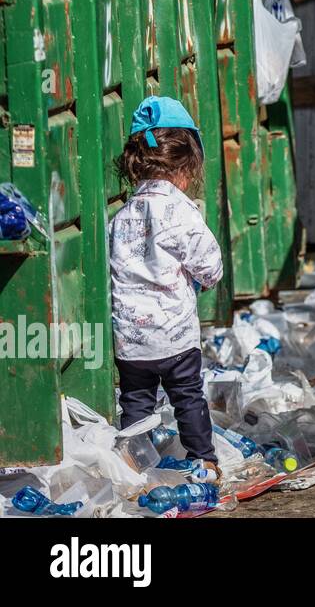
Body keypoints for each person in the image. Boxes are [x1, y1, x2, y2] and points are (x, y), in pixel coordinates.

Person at [110, 96, 224, 479]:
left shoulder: (120, 217)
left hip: (132, 341)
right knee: (188, 398)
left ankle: (134, 466)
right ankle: (204, 460)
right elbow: (210, 265)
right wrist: (205, 280)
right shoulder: (181, 211)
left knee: (136, 404)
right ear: (186, 165)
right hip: (176, 338)